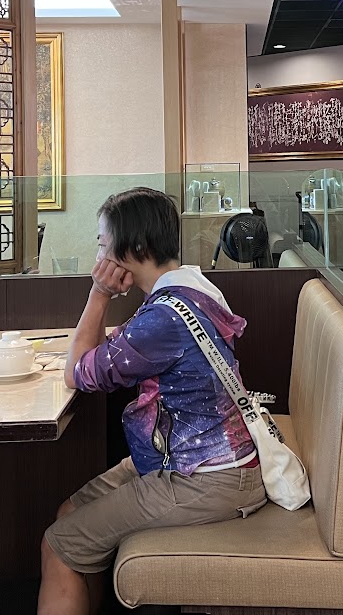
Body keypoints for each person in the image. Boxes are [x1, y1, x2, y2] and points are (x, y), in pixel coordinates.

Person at [41, 187, 266, 615]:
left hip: (206, 478)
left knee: (58, 544)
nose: (99, 254)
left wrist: (99, 294)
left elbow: (77, 372)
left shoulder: (162, 318)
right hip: (192, 460)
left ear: (137, 247)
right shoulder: (192, 289)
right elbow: (106, 356)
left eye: (103, 244)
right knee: (69, 512)